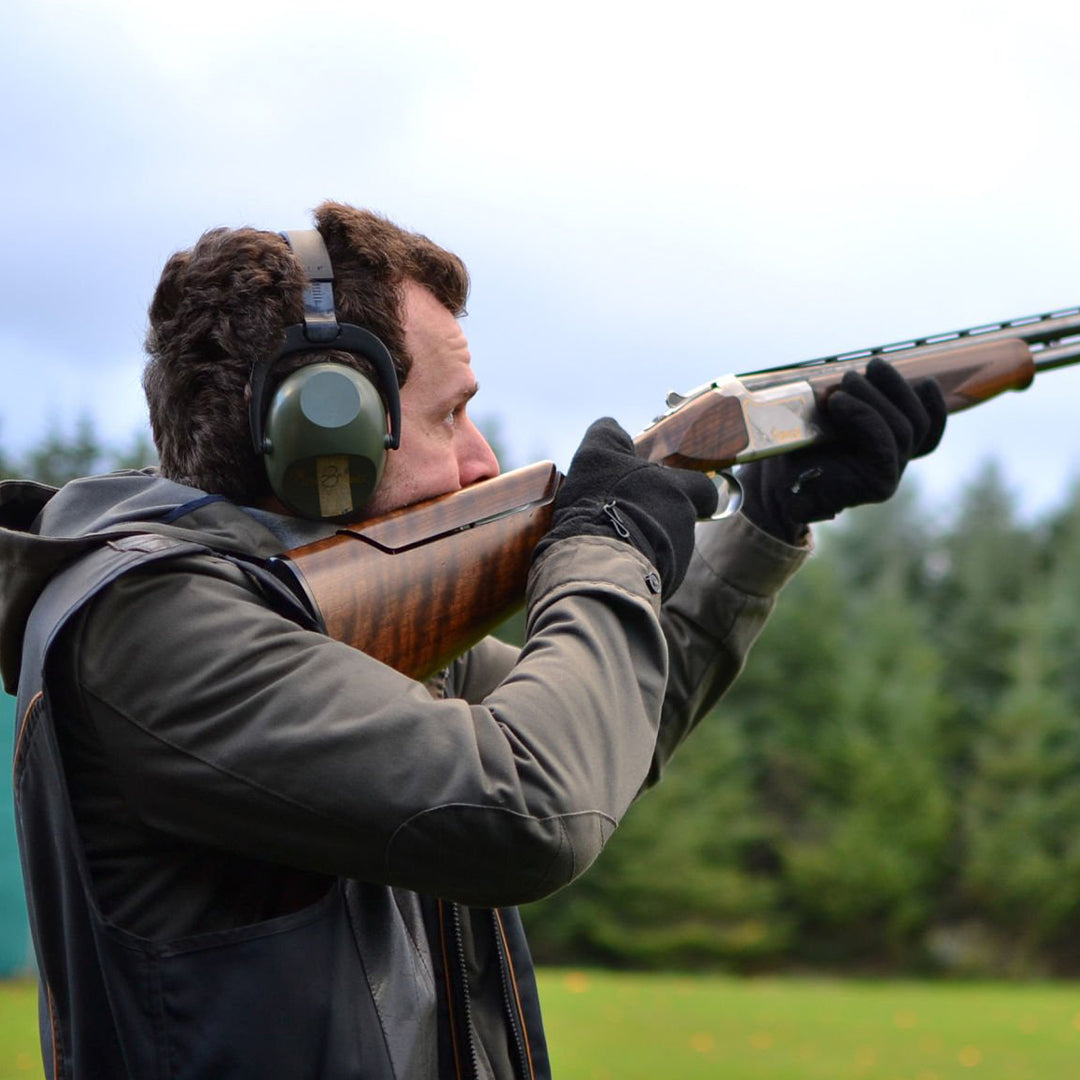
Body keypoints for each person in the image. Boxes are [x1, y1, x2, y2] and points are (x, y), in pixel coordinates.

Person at [0, 202, 945, 1080]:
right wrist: (606, 544)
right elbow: (533, 805)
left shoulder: (299, 619)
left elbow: (606, 720)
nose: (482, 459)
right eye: (449, 413)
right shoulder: (155, 628)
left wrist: (766, 524)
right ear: (325, 428)